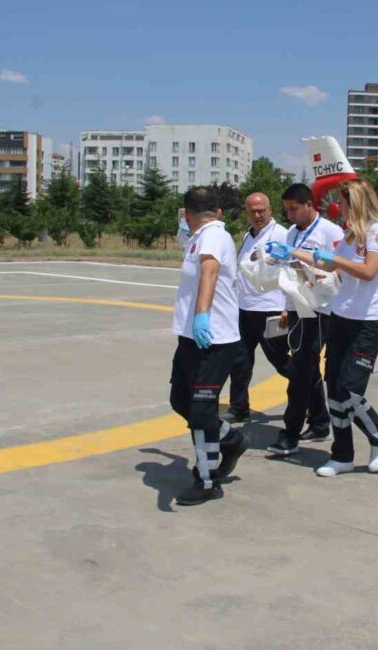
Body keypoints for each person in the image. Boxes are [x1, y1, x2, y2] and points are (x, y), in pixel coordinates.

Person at [280, 178, 378, 477]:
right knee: (334, 388)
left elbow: (369, 271)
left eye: (342, 204)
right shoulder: (348, 237)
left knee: (350, 389)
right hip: (340, 318)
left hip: (368, 322)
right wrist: (292, 253)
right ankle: (342, 454)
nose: (338, 209)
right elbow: (326, 264)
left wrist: (337, 260)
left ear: (356, 203)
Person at [168, 186, 250, 505]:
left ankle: (207, 480)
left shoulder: (214, 235)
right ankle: (232, 439)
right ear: (216, 210)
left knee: (202, 412)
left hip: (213, 339)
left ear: (188, 215)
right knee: (180, 401)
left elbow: (210, 271)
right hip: (191, 338)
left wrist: (202, 315)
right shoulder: (197, 237)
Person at [265, 183, 344, 456]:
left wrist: (311, 269)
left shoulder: (331, 231)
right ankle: (320, 422)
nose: (290, 215)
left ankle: (290, 433)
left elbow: (338, 270)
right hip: (299, 307)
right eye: (286, 210)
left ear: (309, 205)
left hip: (323, 310)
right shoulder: (291, 233)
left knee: (301, 371)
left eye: (294, 209)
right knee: (306, 368)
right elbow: (291, 270)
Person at [224, 192, 290, 422]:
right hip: (245, 309)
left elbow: (293, 270)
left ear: (270, 210)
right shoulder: (248, 236)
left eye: (261, 210)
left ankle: (313, 402)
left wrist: (287, 307)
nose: (257, 215)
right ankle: (239, 407)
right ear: (246, 213)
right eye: (252, 211)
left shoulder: (282, 234)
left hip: (272, 310)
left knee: (282, 362)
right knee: (239, 361)